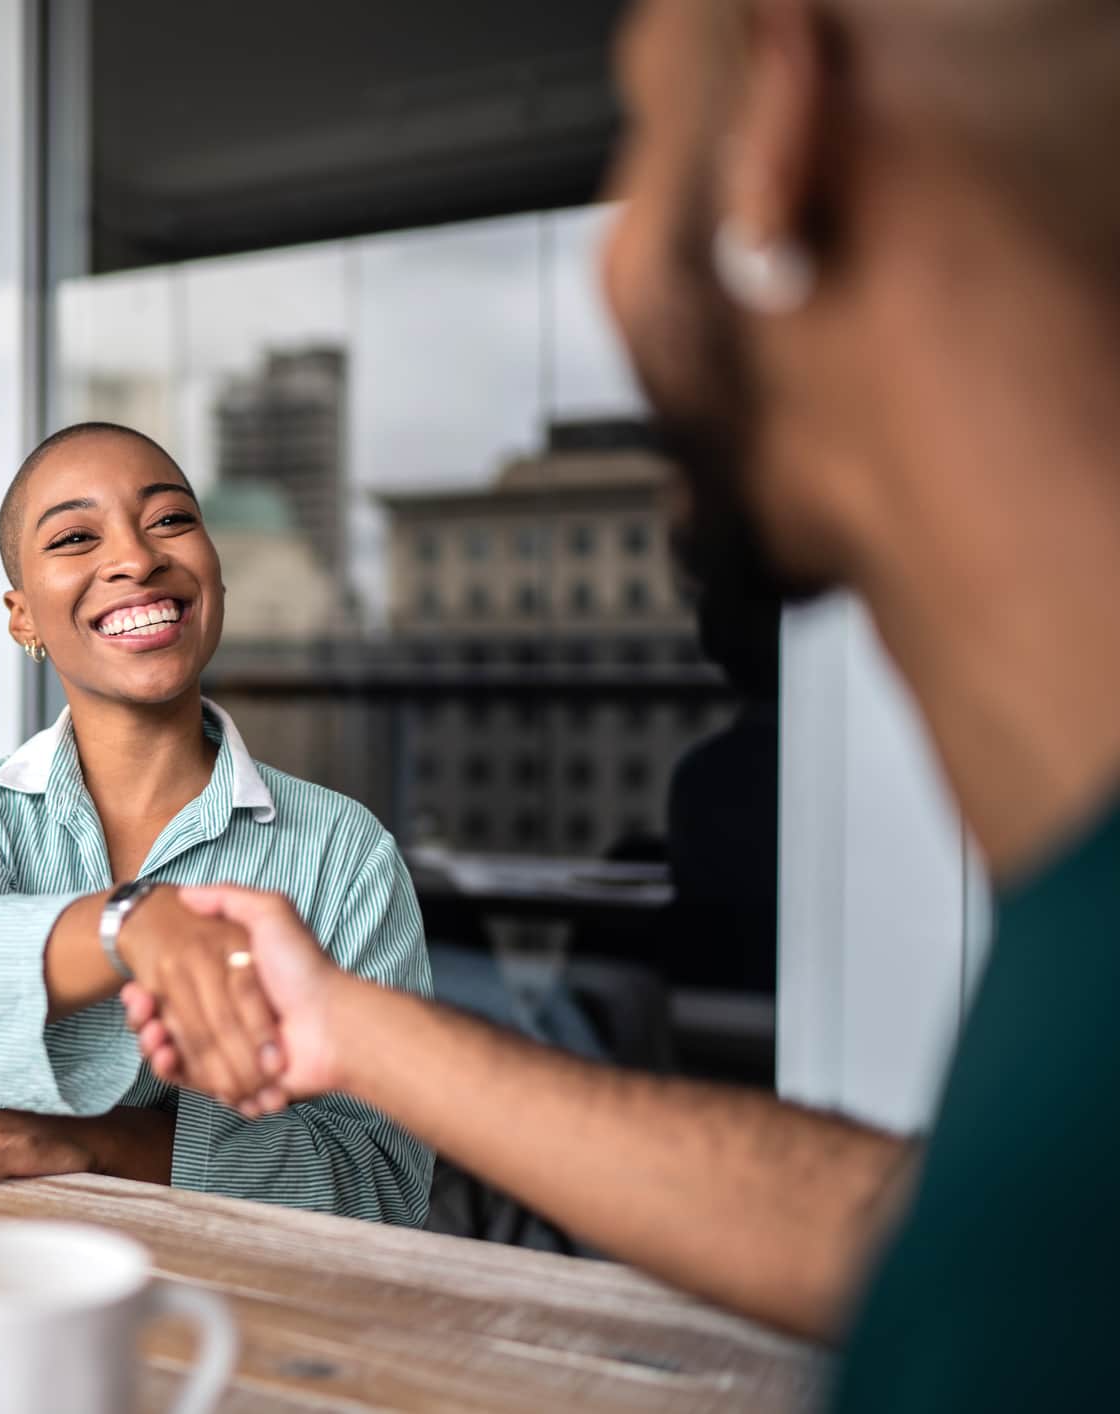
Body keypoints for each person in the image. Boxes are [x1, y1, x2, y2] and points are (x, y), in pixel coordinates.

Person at [122, 0, 1120, 1406]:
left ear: (776, 123)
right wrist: (346, 1027)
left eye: (642, 126)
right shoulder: (1074, 1040)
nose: (611, 235)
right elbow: (929, 1220)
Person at [0, 422, 435, 1225]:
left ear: (214, 575)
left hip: (234, 1301)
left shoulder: (343, 850)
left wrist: (109, 1142)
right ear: (23, 619)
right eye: (77, 536)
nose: (136, 557)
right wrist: (135, 926)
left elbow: (380, 1187)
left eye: (169, 520)